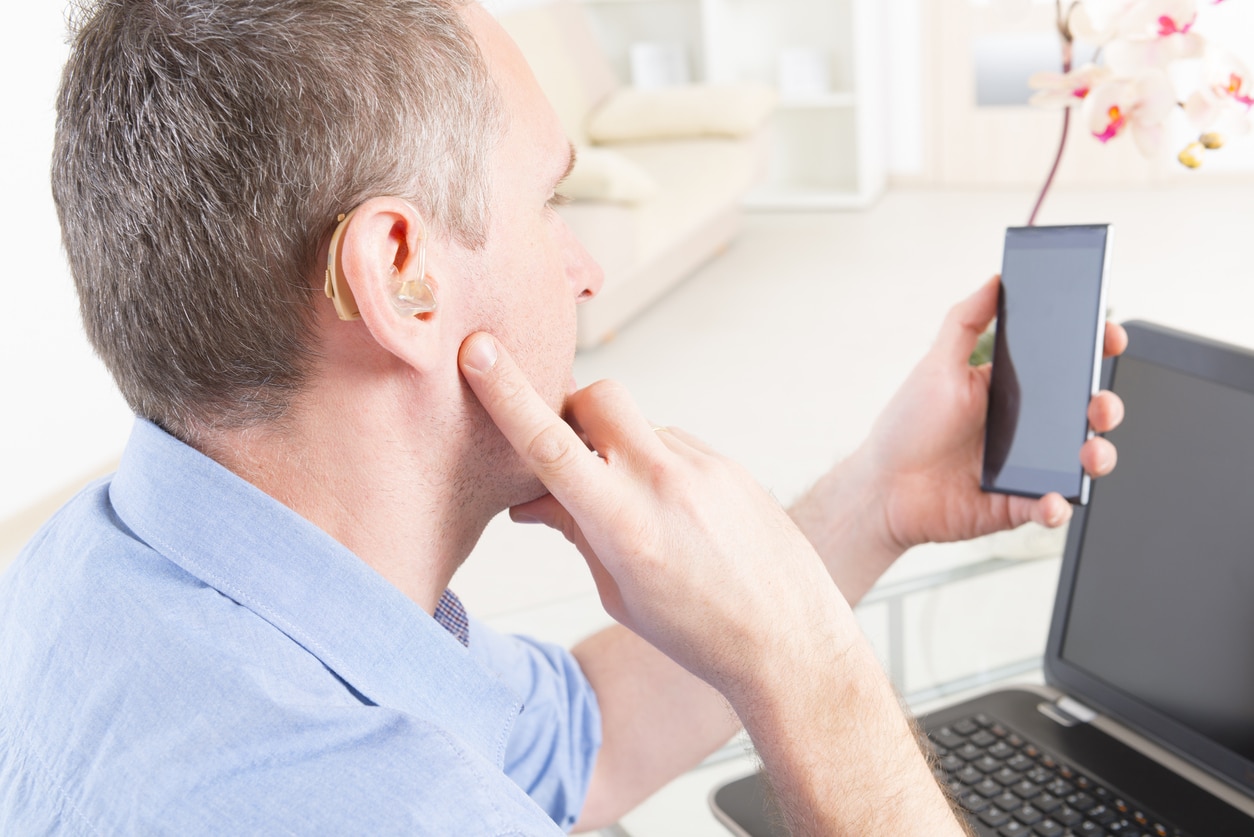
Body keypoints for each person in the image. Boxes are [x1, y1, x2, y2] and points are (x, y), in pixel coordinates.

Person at [0, 0, 1127, 833]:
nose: (584, 269)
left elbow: (571, 740)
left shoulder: (96, 563)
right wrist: (809, 667)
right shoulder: (378, 802)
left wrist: (876, 498)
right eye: (551, 200)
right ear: (401, 274)